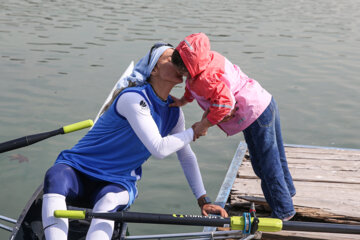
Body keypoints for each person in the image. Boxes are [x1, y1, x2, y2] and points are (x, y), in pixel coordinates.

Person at [42, 42, 227, 240]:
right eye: (172, 59)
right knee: (56, 175)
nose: (179, 64)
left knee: (107, 203)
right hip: (77, 170)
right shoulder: (133, 98)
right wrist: (195, 131)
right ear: (154, 68)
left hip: (118, 181)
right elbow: (159, 149)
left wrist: (203, 200)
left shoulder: (174, 113)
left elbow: (186, 156)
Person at [170, 32, 296, 221]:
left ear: (191, 66)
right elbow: (191, 88)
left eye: (183, 71)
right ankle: (287, 193)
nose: (181, 75)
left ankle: (283, 210)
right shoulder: (208, 60)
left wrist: (204, 124)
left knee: (265, 164)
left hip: (255, 114)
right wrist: (182, 101)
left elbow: (225, 105)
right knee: (276, 155)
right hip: (263, 103)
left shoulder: (205, 78)